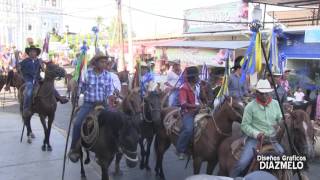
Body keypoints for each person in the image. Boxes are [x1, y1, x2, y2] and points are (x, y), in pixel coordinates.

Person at [230, 79, 284, 177]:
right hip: (255, 140)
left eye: (266, 93)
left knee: (283, 159)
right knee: (242, 163)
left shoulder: (276, 104)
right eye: (261, 93)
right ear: (257, 93)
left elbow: (279, 118)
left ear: (269, 93)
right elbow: (244, 125)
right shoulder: (250, 107)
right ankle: (232, 178)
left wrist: (282, 122)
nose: (264, 96)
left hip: (272, 140)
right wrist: (257, 134)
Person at [68, 55, 112, 162]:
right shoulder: (86, 73)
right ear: (95, 63)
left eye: (105, 62)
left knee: (116, 120)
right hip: (89, 104)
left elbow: (109, 90)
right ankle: (74, 149)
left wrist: (112, 97)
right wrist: (75, 86)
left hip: (103, 104)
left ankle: (115, 146)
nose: (104, 64)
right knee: (78, 123)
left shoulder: (108, 75)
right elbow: (81, 89)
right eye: (102, 62)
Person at [19, 45, 68, 117]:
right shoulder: (24, 61)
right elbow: (19, 68)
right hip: (29, 79)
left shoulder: (39, 61)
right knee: (29, 89)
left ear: (36, 53)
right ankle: (26, 108)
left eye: (34, 52)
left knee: (49, 85)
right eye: (31, 52)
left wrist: (45, 67)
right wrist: (22, 75)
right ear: (28, 53)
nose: (32, 53)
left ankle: (60, 98)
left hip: (38, 79)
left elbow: (44, 68)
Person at [176, 66, 200, 160]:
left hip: (199, 110)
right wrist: (196, 106)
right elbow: (183, 104)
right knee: (189, 129)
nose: (198, 78)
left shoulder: (197, 87)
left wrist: (204, 104)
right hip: (188, 112)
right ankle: (180, 149)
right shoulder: (183, 88)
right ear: (192, 77)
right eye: (196, 76)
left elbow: (198, 99)